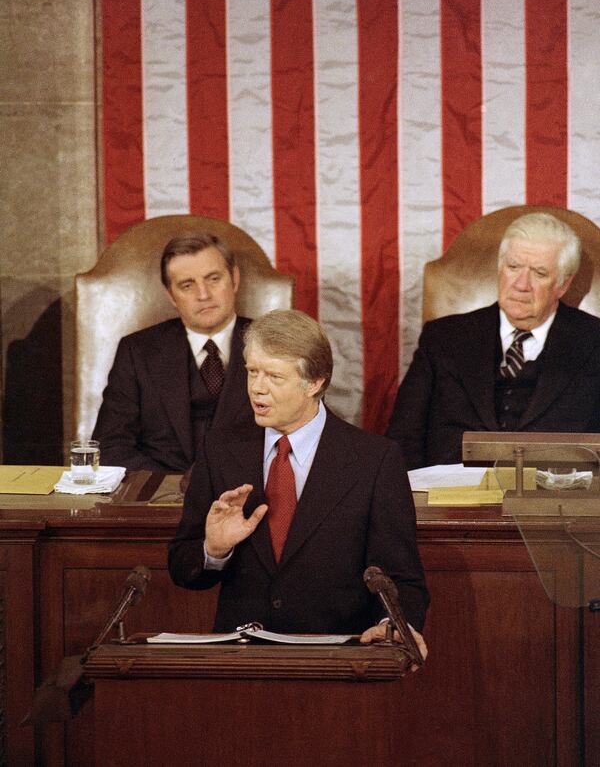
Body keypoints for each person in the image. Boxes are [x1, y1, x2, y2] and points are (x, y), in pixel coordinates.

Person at [168, 309, 429, 656]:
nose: (257, 388)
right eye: (252, 372)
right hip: (240, 662)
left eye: (274, 376)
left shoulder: (374, 461)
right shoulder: (221, 449)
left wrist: (392, 625)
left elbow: (401, 578)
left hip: (338, 662)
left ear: (314, 382)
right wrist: (213, 550)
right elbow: (183, 568)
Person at [386, 211, 600, 469]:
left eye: (539, 273)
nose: (522, 284)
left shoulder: (593, 342)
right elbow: (403, 438)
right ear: (500, 269)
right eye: (513, 267)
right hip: (450, 501)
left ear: (563, 285)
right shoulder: (442, 339)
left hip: (557, 502)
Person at [93, 233, 253, 473]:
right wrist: (173, 488)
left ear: (235, 279)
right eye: (187, 285)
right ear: (171, 295)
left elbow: (302, 437)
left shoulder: (278, 344)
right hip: (163, 497)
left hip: (253, 495)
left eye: (213, 279)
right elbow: (111, 446)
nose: (203, 295)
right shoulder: (137, 352)